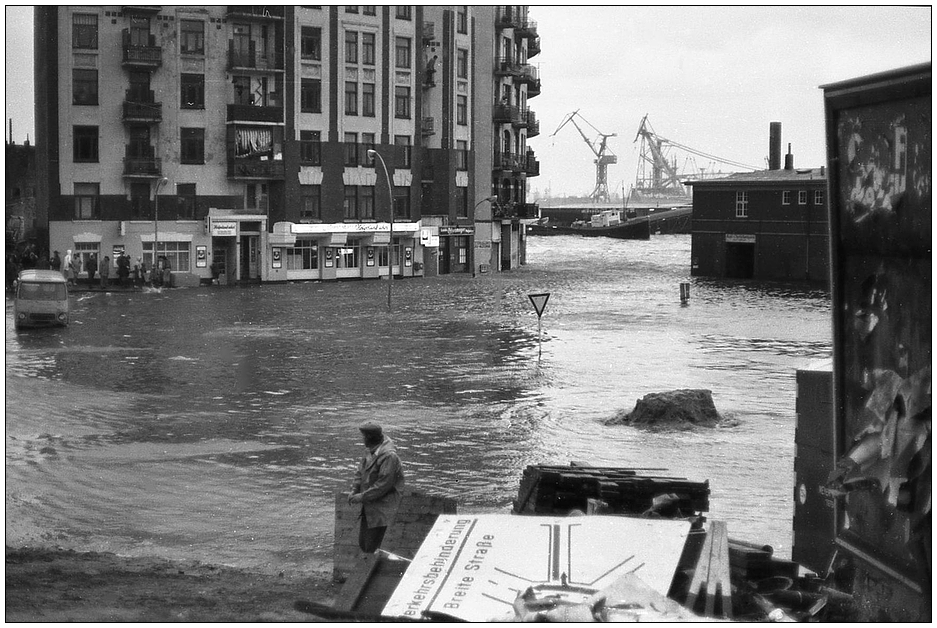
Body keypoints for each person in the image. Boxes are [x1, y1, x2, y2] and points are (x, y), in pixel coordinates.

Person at [348, 422, 405, 553]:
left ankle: (372, 567)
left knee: (371, 545)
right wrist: (354, 489)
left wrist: (361, 496)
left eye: (364, 437)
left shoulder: (390, 456)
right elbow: (359, 472)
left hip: (383, 505)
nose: (362, 440)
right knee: (364, 543)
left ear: (369, 438)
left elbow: (383, 485)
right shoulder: (369, 451)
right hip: (370, 503)